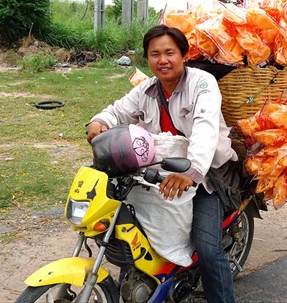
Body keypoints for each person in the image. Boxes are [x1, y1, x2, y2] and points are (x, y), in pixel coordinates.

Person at [86, 24, 238, 303]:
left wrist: (191, 172)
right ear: (147, 58)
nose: (163, 60)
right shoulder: (146, 89)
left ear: (184, 55)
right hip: (161, 169)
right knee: (130, 228)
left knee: (207, 247)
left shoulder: (202, 84)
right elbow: (118, 110)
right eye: (155, 54)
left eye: (170, 52)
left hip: (209, 173)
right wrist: (99, 122)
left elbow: (205, 130)